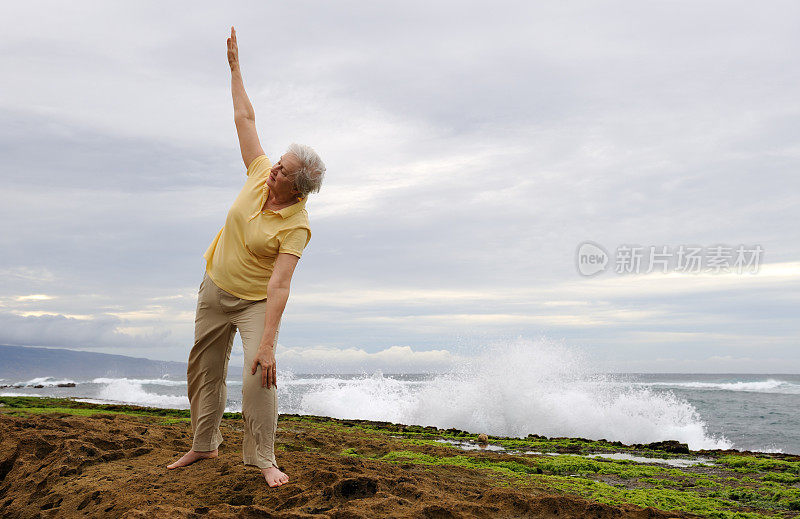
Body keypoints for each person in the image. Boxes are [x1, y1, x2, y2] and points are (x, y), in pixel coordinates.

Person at [167, 26, 325, 488]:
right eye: (277, 162)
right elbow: (245, 119)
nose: (272, 167)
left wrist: (269, 343)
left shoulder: (297, 225)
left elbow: (279, 285)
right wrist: (236, 69)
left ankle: (261, 458)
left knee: (260, 375)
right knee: (203, 367)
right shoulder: (259, 172)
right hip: (216, 286)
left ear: (297, 187)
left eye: (283, 171)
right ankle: (203, 444)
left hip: (256, 301)